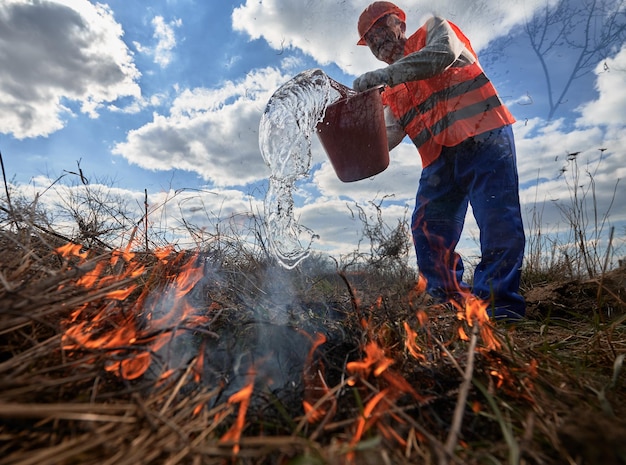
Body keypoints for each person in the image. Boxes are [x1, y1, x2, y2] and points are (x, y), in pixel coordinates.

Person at [353, 1, 526, 320]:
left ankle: (500, 305)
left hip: (483, 134)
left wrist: (385, 75)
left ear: (400, 24)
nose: (378, 42)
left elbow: (442, 55)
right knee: (427, 228)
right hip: (440, 160)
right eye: (370, 39)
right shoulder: (391, 91)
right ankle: (446, 301)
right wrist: (345, 132)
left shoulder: (435, 31)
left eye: (380, 30)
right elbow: (385, 140)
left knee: (497, 219)